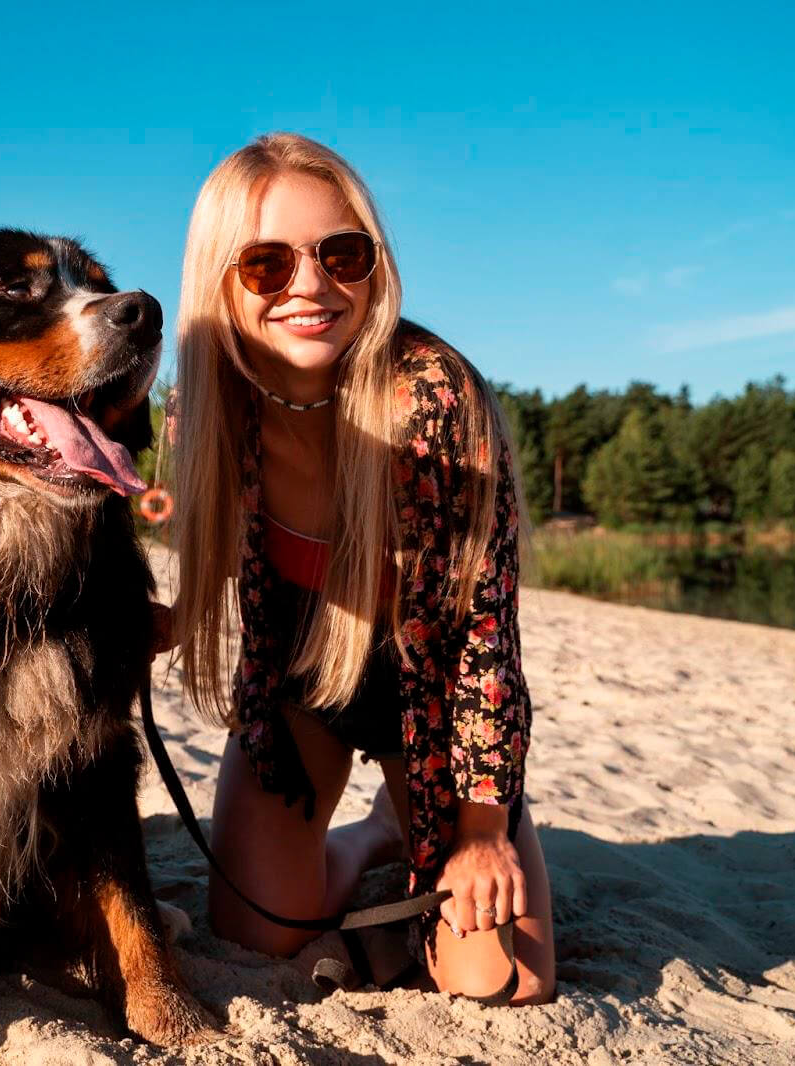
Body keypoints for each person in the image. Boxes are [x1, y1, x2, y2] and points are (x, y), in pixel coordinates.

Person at [157, 132, 555, 1004]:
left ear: (373, 263)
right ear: (220, 279)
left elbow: (488, 637)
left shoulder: (436, 398)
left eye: (341, 254)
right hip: (304, 677)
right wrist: (168, 621)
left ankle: (423, 815)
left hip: (438, 698)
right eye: (265, 264)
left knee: (501, 983)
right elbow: (222, 564)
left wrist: (484, 828)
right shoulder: (206, 408)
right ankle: (381, 835)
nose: (310, 286)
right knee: (258, 930)